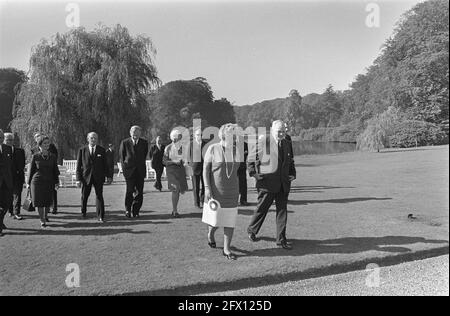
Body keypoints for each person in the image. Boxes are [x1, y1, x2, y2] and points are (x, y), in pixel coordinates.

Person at [247, 120, 296, 250]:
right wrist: (254, 174)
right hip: (266, 184)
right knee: (262, 209)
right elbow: (250, 159)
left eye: (283, 132)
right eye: (279, 132)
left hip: (283, 184)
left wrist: (293, 174)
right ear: (272, 130)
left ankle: (281, 240)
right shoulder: (263, 141)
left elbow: (291, 161)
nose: (281, 134)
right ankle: (252, 230)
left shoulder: (287, 143)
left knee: (282, 212)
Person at [202, 123, 240, 260]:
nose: (235, 137)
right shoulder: (213, 148)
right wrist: (207, 188)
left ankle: (227, 249)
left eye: (236, 135)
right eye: (232, 135)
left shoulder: (237, 150)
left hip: (232, 192)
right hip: (216, 192)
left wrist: (239, 190)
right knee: (215, 221)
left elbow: (236, 173)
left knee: (230, 220)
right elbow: (205, 170)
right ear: (224, 135)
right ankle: (210, 234)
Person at [76, 132, 111, 222]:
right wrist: (78, 179)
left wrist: (109, 176)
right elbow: (78, 166)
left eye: (95, 138)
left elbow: (105, 165)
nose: (93, 139)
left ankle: (100, 216)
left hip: (98, 177)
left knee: (99, 196)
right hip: (86, 177)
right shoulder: (82, 150)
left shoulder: (102, 150)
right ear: (88, 139)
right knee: (84, 196)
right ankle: (83, 212)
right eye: (92, 138)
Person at [27, 136, 60, 228]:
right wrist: (28, 183)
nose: (47, 145)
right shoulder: (35, 156)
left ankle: (45, 216)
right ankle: (42, 220)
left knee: (47, 201)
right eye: (44, 143)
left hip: (49, 181)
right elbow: (31, 170)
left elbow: (55, 170)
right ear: (40, 145)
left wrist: (57, 182)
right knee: (39, 202)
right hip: (37, 182)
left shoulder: (53, 156)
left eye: (48, 143)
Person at [119, 126, 149, 218]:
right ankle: (127, 210)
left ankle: (136, 211)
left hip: (140, 171)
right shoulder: (125, 142)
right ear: (130, 133)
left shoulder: (144, 142)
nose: (135, 134)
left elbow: (144, 155)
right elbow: (122, 157)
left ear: (140, 133)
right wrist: (124, 169)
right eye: (133, 132)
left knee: (139, 192)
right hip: (129, 171)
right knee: (129, 191)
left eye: (137, 132)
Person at [163, 129, 188, 218]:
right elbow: (164, 161)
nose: (180, 139)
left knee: (179, 191)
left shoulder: (183, 147)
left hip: (180, 171)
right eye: (179, 137)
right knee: (175, 189)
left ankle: (175, 209)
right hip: (171, 171)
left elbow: (185, 159)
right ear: (174, 138)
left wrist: (185, 162)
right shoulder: (168, 148)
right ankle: (174, 210)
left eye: (181, 137)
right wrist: (174, 162)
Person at [32, 132, 59, 214]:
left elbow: (55, 158)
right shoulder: (34, 150)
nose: (37, 137)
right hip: (39, 177)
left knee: (52, 194)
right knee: (39, 198)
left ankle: (54, 207)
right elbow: (33, 165)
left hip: (50, 173)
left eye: (39, 136)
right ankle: (42, 217)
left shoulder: (51, 147)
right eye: (36, 137)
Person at [4, 133, 25, 220]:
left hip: (17, 176)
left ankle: (17, 212)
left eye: (11, 140)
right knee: (8, 195)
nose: (9, 142)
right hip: (6, 177)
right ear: (4, 140)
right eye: (7, 140)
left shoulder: (20, 151)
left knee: (17, 195)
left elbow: (22, 163)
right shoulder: (2, 151)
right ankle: (10, 211)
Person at [0, 130, 14, 237]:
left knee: (6, 204)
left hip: (7, 182)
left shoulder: (7, 149)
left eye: (1, 137)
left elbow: (10, 167)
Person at [190, 128, 206, 209]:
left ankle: (203, 201)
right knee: (196, 187)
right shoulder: (191, 144)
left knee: (204, 186)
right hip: (194, 168)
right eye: (197, 135)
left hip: (204, 168)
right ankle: (196, 203)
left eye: (200, 135)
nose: (199, 136)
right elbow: (188, 156)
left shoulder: (206, 144)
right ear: (194, 135)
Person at [237, 140, 249, 206]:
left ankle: (243, 200)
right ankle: (234, 200)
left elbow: (248, 154)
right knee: (234, 184)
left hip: (242, 167)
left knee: (243, 184)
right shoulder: (231, 143)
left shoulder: (245, 144)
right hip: (233, 167)